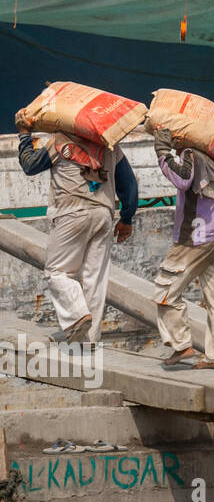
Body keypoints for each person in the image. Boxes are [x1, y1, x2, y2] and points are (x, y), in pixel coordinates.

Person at [15, 123, 137, 343]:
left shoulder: (59, 141)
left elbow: (30, 166)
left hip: (71, 213)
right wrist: (127, 218)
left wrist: (25, 135)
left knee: (57, 272)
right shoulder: (110, 145)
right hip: (103, 215)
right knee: (95, 280)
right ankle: (90, 341)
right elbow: (129, 186)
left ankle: (78, 316)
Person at [151, 127, 214, 369]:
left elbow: (182, 179)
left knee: (166, 292)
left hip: (198, 235)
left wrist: (163, 151)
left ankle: (181, 345)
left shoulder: (191, 154)